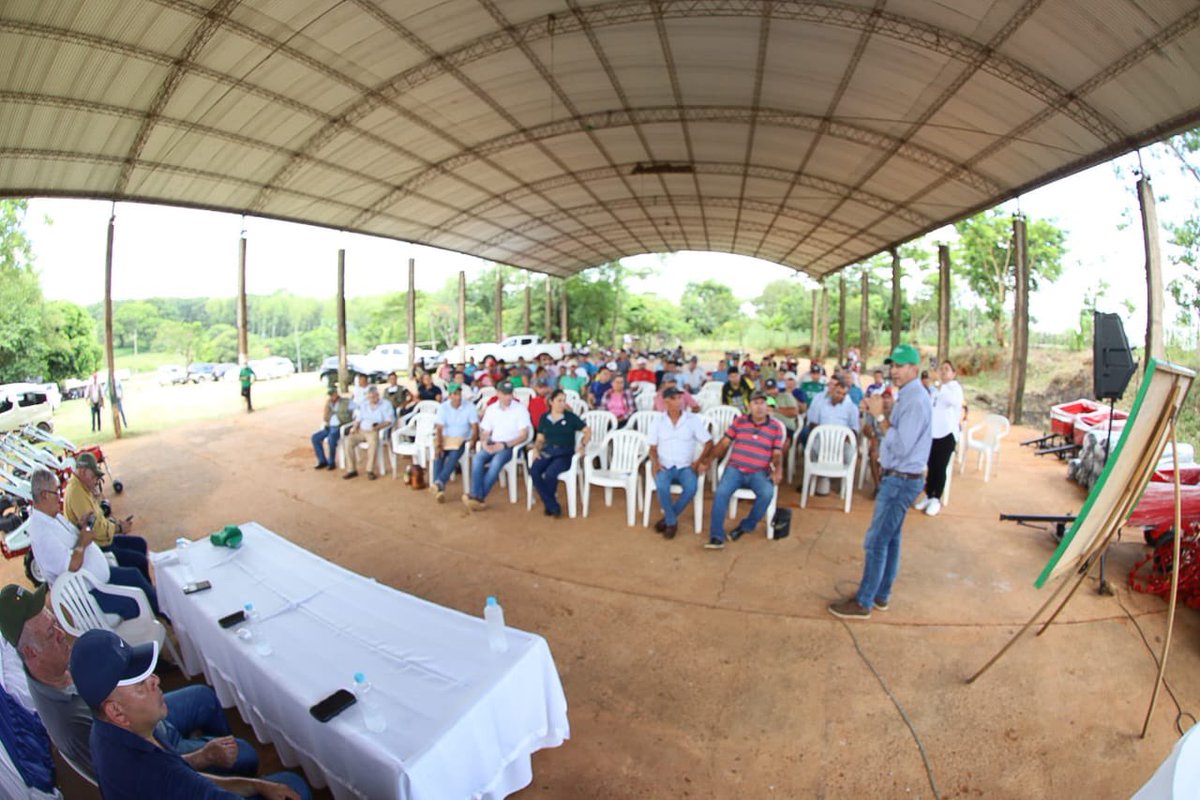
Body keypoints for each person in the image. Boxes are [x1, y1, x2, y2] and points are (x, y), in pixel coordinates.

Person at [1, 585, 258, 782]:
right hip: (155, 745)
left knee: (204, 696)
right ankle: (230, 779)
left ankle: (223, 772)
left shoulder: (48, 667)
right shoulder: (71, 723)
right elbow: (142, 774)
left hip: (146, 720)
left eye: (55, 623)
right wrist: (204, 757)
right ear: (31, 653)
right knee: (245, 754)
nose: (62, 634)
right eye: (51, 633)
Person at [70, 630, 310, 800]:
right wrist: (260, 787)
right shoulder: (156, 773)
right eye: (141, 683)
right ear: (117, 712)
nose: (156, 679)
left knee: (249, 764)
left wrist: (255, 785)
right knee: (293, 784)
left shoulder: (106, 730)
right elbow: (185, 781)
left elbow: (188, 777)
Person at [828, 344, 932, 620]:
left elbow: (901, 445)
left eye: (899, 366)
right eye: (892, 366)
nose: (894, 371)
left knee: (876, 542)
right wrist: (879, 410)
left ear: (913, 367)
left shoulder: (915, 400)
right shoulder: (908, 395)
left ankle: (864, 602)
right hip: (900, 477)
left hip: (900, 479)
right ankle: (880, 595)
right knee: (890, 539)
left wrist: (881, 416)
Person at [27, 468, 159, 619]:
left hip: (95, 579)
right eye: (56, 492)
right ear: (44, 495)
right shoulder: (42, 533)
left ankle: (162, 610)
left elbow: (67, 545)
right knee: (133, 604)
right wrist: (83, 541)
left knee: (134, 575)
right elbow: (72, 565)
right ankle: (157, 621)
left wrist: (79, 527)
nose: (59, 497)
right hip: (87, 592)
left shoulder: (51, 516)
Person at [699, 392, 785, 549]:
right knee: (721, 493)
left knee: (767, 493)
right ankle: (716, 536)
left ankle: (746, 526)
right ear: (749, 407)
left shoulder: (775, 427)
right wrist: (708, 460)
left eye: (762, 403)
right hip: (735, 469)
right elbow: (724, 443)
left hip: (759, 471)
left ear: (768, 407)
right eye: (755, 403)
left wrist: (778, 469)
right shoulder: (739, 421)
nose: (759, 407)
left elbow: (777, 453)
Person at [63, 452, 150, 584]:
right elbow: (95, 529)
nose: (95, 481)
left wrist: (113, 523)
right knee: (139, 562)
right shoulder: (77, 492)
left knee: (140, 544)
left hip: (103, 540)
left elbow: (99, 518)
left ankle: (149, 593)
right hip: (98, 547)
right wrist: (118, 528)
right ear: (83, 472)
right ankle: (150, 598)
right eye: (93, 477)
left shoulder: (83, 488)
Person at [647, 388, 712, 538]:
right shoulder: (658, 421)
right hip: (665, 465)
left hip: (686, 466)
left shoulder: (692, 420)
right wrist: (655, 463)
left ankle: (668, 520)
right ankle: (671, 522)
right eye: (675, 398)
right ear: (666, 401)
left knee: (691, 488)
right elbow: (652, 447)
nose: (680, 402)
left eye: (680, 398)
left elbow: (708, 443)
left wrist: (699, 461)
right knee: (662, 487)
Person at [464, 381, 531, 511]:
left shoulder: (520, 409)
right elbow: (485, 431)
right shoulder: (492, 409)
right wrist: (484, 442)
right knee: (478, 459)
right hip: (493, 442)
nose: (508, 397)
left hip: (511, 445)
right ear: (498, 394)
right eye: (505, 394)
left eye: (510, 394)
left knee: (496, 462)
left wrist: (504, 445)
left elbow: (524, 435)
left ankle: (477, 496)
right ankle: (476, 496)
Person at [528, 390, 590, 518]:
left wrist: (582, 445)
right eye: (559, 401)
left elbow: (587, 431)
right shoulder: (544, 418)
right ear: (551, 402)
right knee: (534, 470)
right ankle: (552, 504)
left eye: (564, 400)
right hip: (547, 451)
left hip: (564, 452)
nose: (562, 404)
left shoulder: (570, 417)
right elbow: (540, 438)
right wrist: (536, 449)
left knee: (551, 473)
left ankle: (551, 507)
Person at [915, 360, 964, 517]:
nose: (943, 372)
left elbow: (952, 402)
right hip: (933, 434)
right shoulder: (936, 390)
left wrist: (939, 384)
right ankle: (929, 495)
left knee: (940, 467)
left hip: (947, 434)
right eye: (941, 369)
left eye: (947, 369)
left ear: (953, 373)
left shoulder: (954, 389)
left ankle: (936, 498)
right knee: (931, 465)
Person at [431, 383, 479, 502]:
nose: (458, 397)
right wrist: (439, 445)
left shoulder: (469, 406)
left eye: (459, 394)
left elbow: (475, 427)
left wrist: (473, 442)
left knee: (453, 455)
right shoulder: (443, 407)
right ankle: (439, 489)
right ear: (450, 396)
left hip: (461, 439)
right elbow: (439, 428)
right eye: (455, 394)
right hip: (447, 438)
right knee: (439, 455)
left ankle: (439, 483)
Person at [341, 386, 394, 481]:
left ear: (378, 395)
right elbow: (358, 419)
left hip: (374, 431)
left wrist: (378, 427)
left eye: (374, 397)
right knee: (348, 441)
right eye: (370, 397)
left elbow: (389, 421)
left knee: (373, 444)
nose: (372, 399)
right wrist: (354, 427)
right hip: (361, 430)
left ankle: (370, 470)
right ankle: (351, 470)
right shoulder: (364, 404)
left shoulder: (386, 404)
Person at [311, 387, 351, 470]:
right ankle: (322, 460)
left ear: (337, 393)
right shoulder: (329, 403)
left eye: (333, 394)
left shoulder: (345, 401)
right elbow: (325, 418)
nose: (332, 396)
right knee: (315, 437)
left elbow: (356, 412)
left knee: (331, 438)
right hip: (329, 426)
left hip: (340, 426)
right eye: (330, 395)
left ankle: (331, 462)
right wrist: (328, 410)